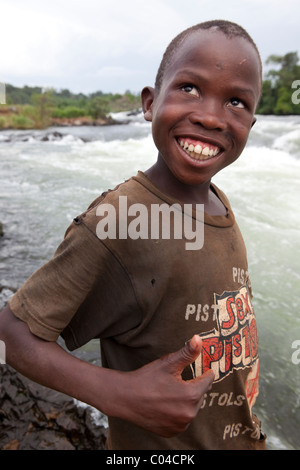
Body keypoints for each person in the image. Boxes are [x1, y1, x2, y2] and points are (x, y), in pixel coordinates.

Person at [0, 20, 266, 450]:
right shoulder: (120, 218)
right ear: (149, 102)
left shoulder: (217, 201)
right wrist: (117, 394)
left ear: (251, 125)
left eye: (235, 101)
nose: (210, 117)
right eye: (190, 88)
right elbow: (7, 336)